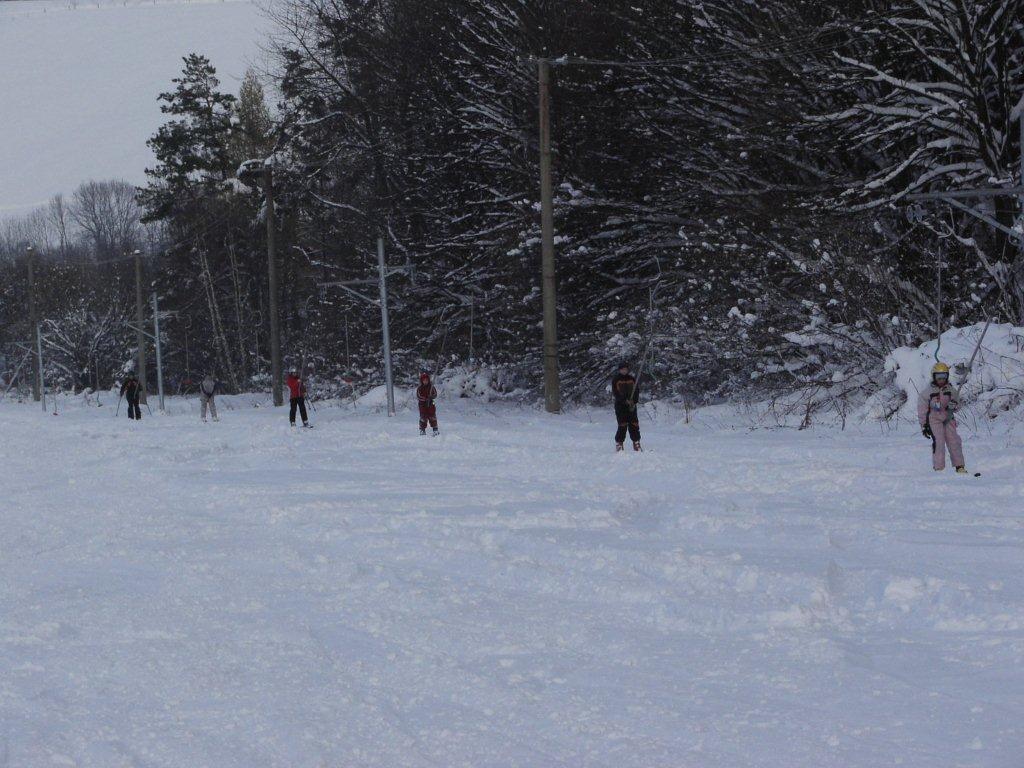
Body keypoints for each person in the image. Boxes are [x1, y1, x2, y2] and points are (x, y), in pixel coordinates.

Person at [918, 361, 967, 473]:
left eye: (944, 377)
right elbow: (922, 410)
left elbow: (958, 404)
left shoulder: (950, 390)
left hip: (948, 417)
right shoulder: (927, 392)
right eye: (939, 377)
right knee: (939, 442)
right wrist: (924, 425)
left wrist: (954, 405)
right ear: (934, 377)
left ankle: (959, 466)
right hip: (934, 419)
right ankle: (939, 468)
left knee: (954, 440)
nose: (941, 380)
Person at [611, 361, 641, 452]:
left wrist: (634, 401)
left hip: (631, 406)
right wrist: (624, 400)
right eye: (622, 369)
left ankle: (636, 442)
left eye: (626, 369)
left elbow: (636, 390)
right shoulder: (616, 379)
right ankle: (619, 443)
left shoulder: (631, 379)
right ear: (619, 370)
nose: (624, 371)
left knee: (634, 424)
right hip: (621, 406)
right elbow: (616, 393)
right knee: (622, 424)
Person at [417, 370, 439, 435]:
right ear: (422, 381)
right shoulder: (420, 388)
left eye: (426, 380)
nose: (425, 382)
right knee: (423, 417)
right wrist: (425, 399)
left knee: (432, 416)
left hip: (431, 404)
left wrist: (431, 397)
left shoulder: (431, 387)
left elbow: (435, 394)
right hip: (422, 405)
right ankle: (422, 430)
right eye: (424, 380)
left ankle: (435, 429)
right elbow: (418, 396)